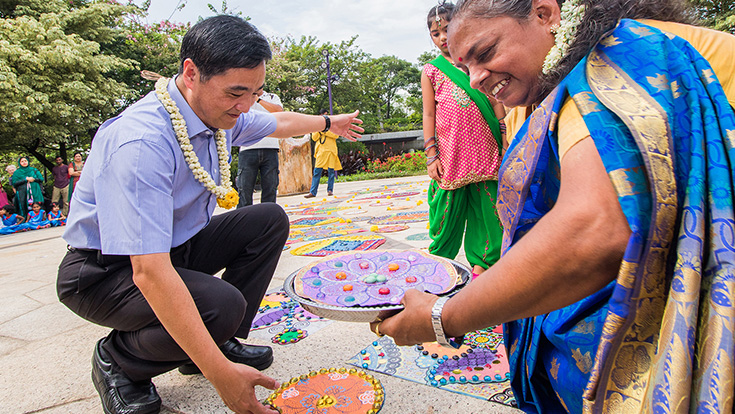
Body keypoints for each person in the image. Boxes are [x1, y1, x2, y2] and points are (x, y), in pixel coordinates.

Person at [376, 0, 735, 412]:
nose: (474, 80)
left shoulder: (620, 55)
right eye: (464, 65)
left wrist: (444, 315)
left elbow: (592, 232)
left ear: (546, 14)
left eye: (486, 53)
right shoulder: (540, 92)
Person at [56, 15, 362, 414]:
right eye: (237, 92)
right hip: (104, 271)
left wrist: (328, 122)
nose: (246, 105)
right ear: (191, 73)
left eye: (254, 92)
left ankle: (215, 341)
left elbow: (279, 121)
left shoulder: (216, 115)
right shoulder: (142, 141)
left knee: (267, 219)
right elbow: (148, 271)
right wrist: (221, 375)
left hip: (176, 245)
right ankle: (119, 360)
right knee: (221, 305)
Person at [422, 2, 504, 279]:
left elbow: (495, 101)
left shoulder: (476, 61)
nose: (443, 38)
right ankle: (437, 268)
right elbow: (429, 113)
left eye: (447, 29)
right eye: (436, 33)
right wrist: (431, 154)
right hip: (451, 153)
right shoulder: (431, 71)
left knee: (489, 211)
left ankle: (483, 268)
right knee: (446, 211)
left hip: (486, 146)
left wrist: (503, 136)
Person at [236, 90, 284, 207]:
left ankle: (267, 220)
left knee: (270, 188)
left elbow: (279, 111)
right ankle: (243, 222)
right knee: (244, 190)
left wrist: (258, 99)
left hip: (270, 147)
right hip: (247, 148)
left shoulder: (272, 97)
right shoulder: (243, 96)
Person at [305, 109, 357, 198]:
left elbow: (335, 135)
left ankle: (330, 190)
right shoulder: (316, 125)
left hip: (331, 151)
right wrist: (321, 130)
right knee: (317, 171)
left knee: (331, 172)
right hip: (321, 151)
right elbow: (314, 137)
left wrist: (324, 131)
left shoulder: (333, 124)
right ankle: (313, 192)